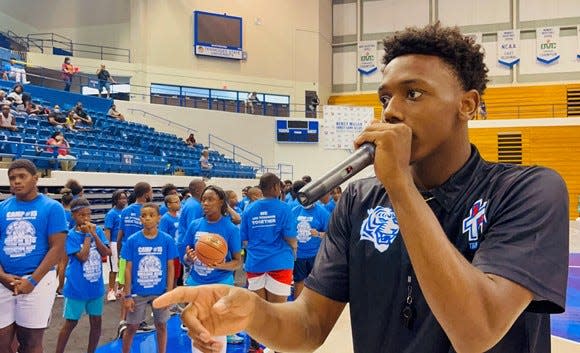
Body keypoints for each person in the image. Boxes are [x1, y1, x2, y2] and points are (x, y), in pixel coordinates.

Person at [153, 23, 569, 353]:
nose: (391, 110)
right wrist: (254, 314)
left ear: (467, 104)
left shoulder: (528, 191)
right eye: (385, 96)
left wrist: (400, 187)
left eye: (413, 93)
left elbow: (475, 332)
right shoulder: (359, 198)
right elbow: (311, 325)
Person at [0, 159, 68, 353]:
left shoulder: (52, 207)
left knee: (30, 343)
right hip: (5, 280)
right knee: (2, 343)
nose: (16, 182)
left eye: (22, 176)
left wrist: (32, 280)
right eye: (12, 178)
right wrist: (2, 276)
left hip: (37, 281)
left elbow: (57, 248)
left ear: (36, 179)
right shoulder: (2, 208)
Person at [239, 173, 297, 353]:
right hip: (279, 263)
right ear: (275, 188)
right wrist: (293, 249)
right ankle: (277, 348)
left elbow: (245, 240)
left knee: (258, 310)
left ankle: (255, 347)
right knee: (277, 312)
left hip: (255, 264)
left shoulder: (249, 209)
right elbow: (290, 237)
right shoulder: (284, 208)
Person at [180, 185, 243, 351]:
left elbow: (238, 262)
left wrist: (221, 264)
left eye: (210, 199)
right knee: (197, 329)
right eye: (203, 200)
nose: (205, 203)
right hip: (196, 283)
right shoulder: (194, 225)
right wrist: (189, 258)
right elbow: (185, 257)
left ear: (221, 202)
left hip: (220, 284)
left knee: (217, 330)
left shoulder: (230, 228)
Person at [54, 198, 111, 353]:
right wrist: (87, 236)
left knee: (96, 321)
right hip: (76, 288)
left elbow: (107, 252)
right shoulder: (70, 235)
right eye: (81, 215)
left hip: (95, 287)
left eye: (88, 214)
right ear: (73, 215)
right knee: (71, 323)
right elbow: (82, 256)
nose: (86, 218)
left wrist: (94, 234)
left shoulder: (97, 230)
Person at [121, 203, 177, 353]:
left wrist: (170, 292)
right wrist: (127, 295)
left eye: (151, 215)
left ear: (159, 218)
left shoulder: (167, 240)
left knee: (161, 325)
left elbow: (171, 267)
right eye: (144, 215)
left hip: (160, 292)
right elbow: (127, 268)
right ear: (140, 219)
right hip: (138, 292)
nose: (147, 218)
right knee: (132, 327)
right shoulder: (133, 240)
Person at [116, 182, 153, 337]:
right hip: (139, 255)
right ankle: (138, 322)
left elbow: (120, 234)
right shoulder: (148, 212)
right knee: (139, 289)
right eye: (151, 191)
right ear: (146, 194)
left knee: (126, 287)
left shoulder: (126, 210)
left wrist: (119, 255)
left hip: (125, 253)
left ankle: (123, 321)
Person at [103, 190, 128, 302]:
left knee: (123, 268)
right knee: (114, 269)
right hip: (113, 243)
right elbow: (107, 230)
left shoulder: (126, 212)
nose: (123, 200)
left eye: (125, 198)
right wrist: (107, 245)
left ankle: (120, 288)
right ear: (115, 200)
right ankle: (111, 291)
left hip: (124, 243)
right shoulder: (111, 214)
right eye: (121, 198)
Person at [56, 187, 74, 297]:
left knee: (58, 264)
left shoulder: (58, 212)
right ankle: (61, 287)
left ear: (62, 201)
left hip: (56, 240)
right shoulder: (72, 215)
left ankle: (54, 284)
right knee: (63, 264)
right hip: (66, 241)